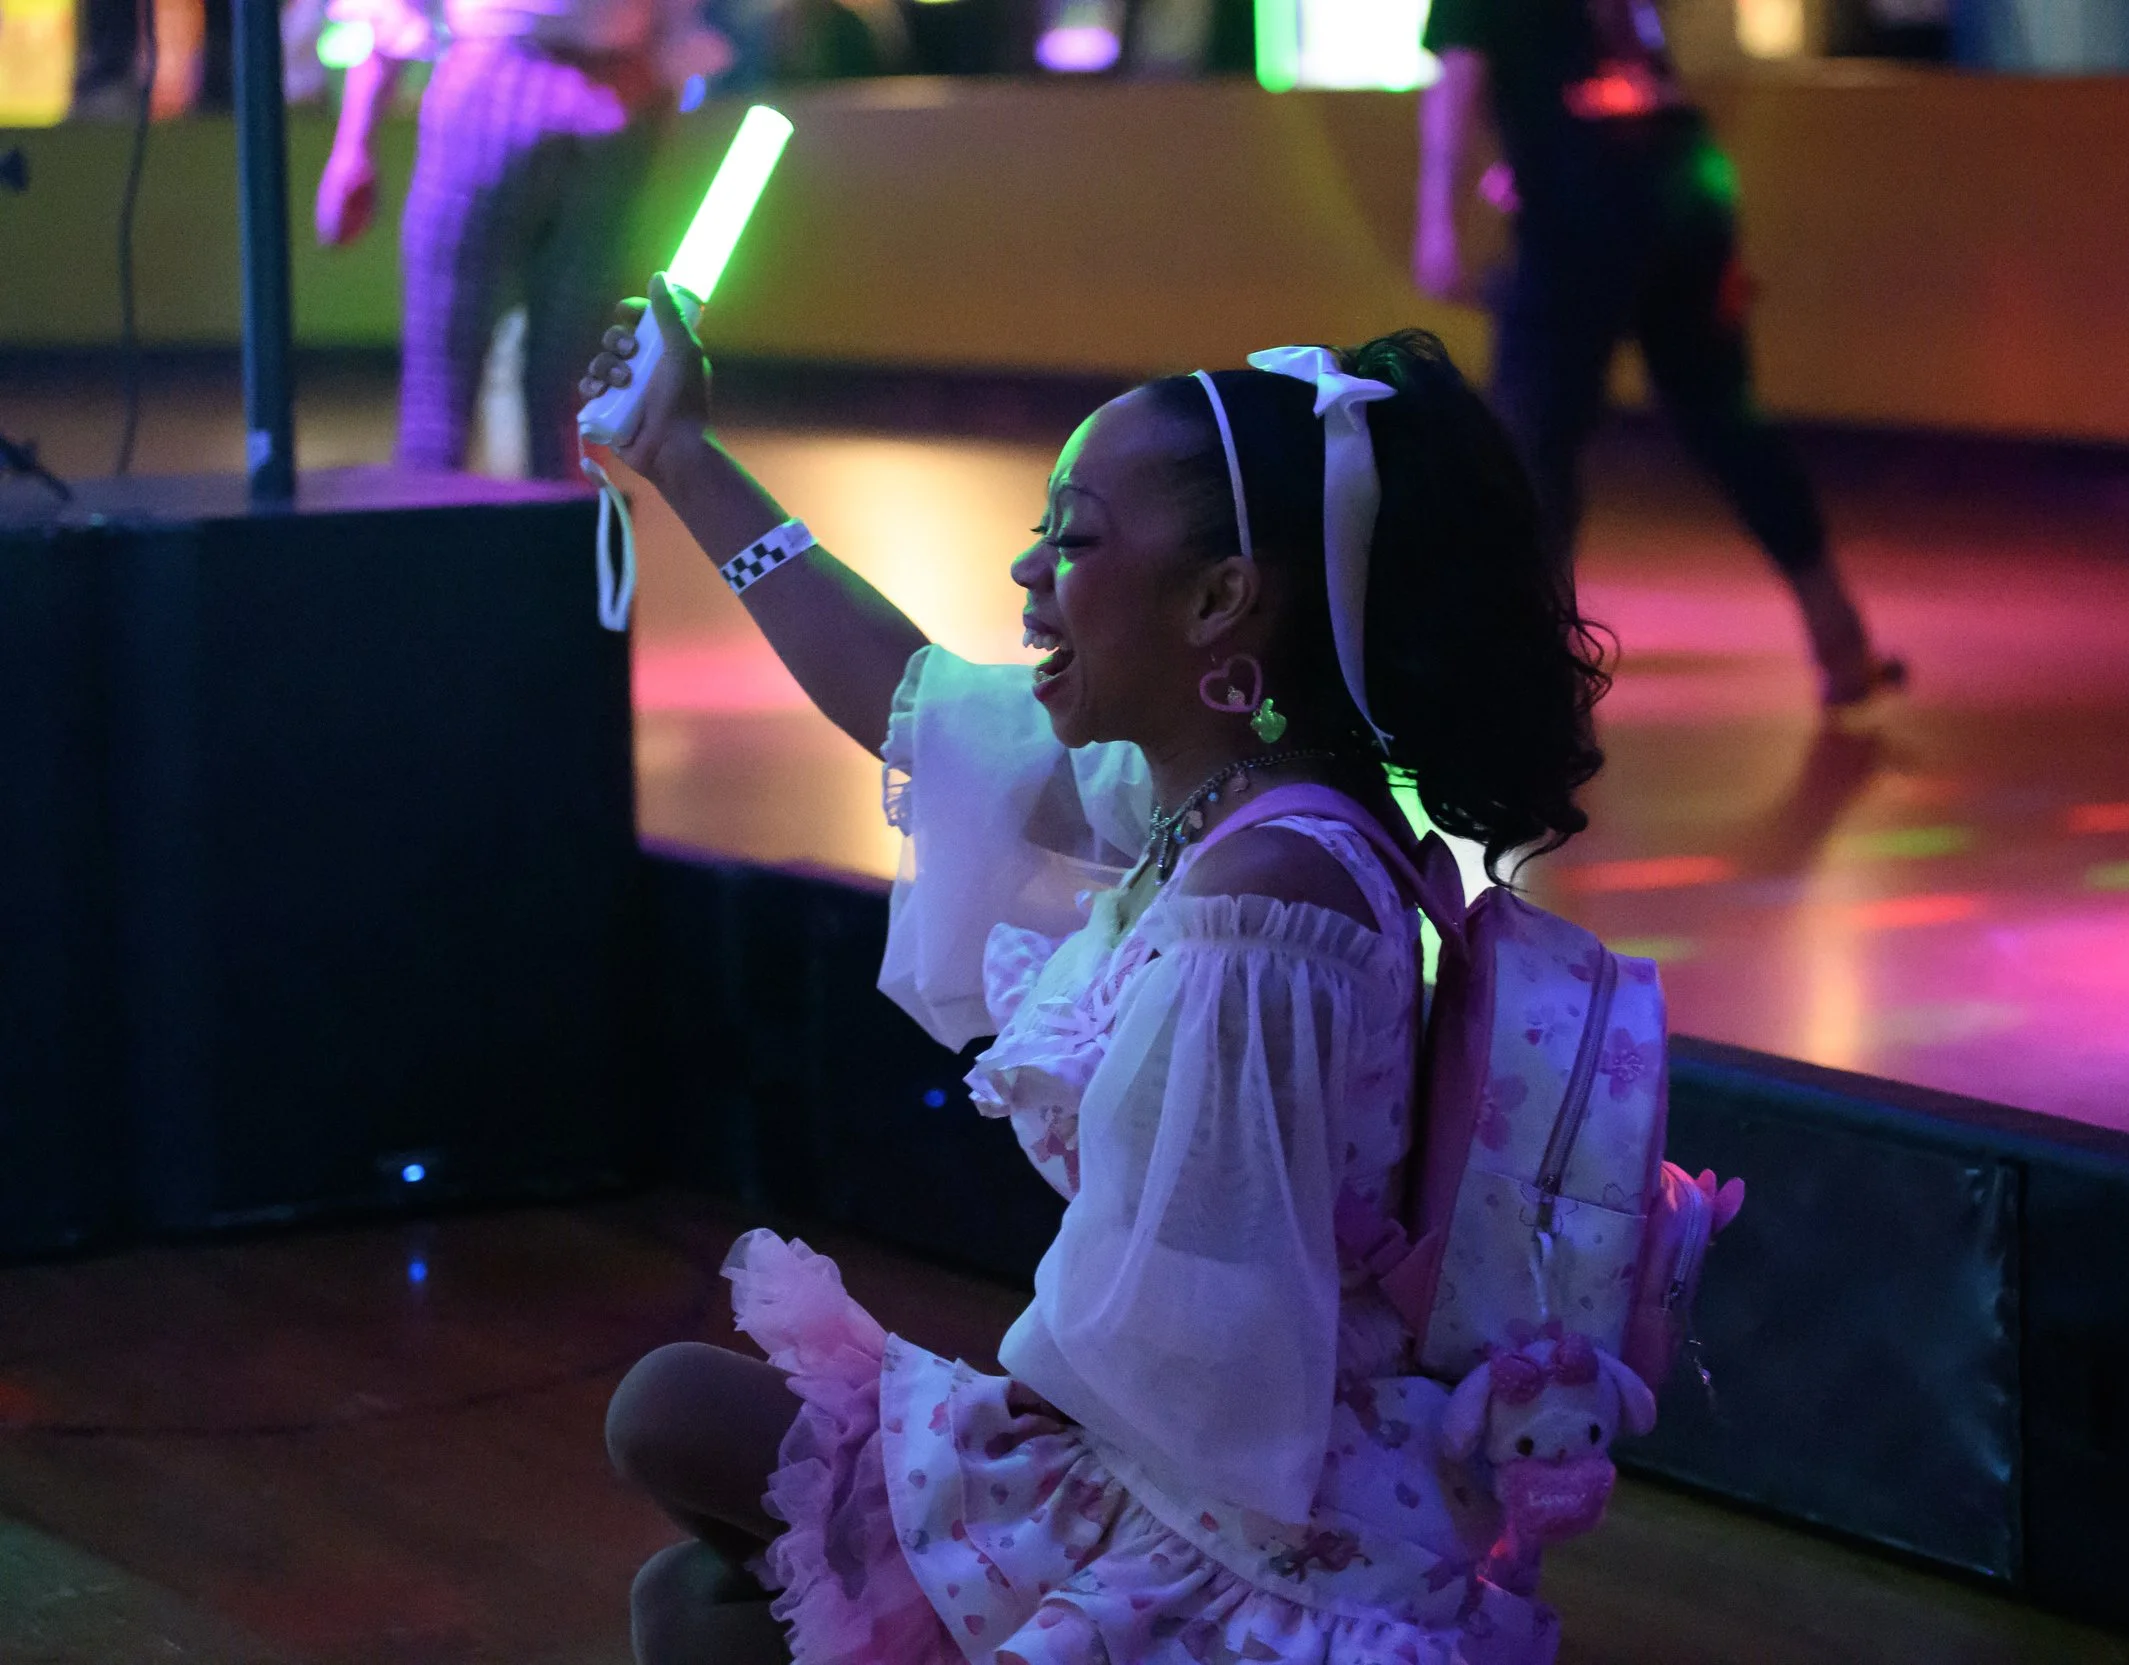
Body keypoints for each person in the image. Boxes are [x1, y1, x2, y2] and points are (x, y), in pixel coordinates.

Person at [590, 279, 1613, 1665]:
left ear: (1219, 602)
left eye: (1071, 542)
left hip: (1233, 1514)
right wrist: (678, 454)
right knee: (690, 1601)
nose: (1029, 576)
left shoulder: (1267, 907)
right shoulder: (1229, 793)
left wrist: (975, 1475)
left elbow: (1209, 1359)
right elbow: (911, 701)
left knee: (672, 1419)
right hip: (1202, 1449)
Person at [1411, 0, 1902, 709]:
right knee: (1724, 416)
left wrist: (1439, 222)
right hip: (1683, 182)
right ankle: (1842, 641)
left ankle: (1531, 672)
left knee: (1531, 445)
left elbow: (1461, 79)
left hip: (1581, 208)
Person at [313, 0, 725, 479]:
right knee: (575, 400)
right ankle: (566, 547)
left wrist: (355, 144)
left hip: (498, 78)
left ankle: (449, 542)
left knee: (453, 386)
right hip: (612, 92)